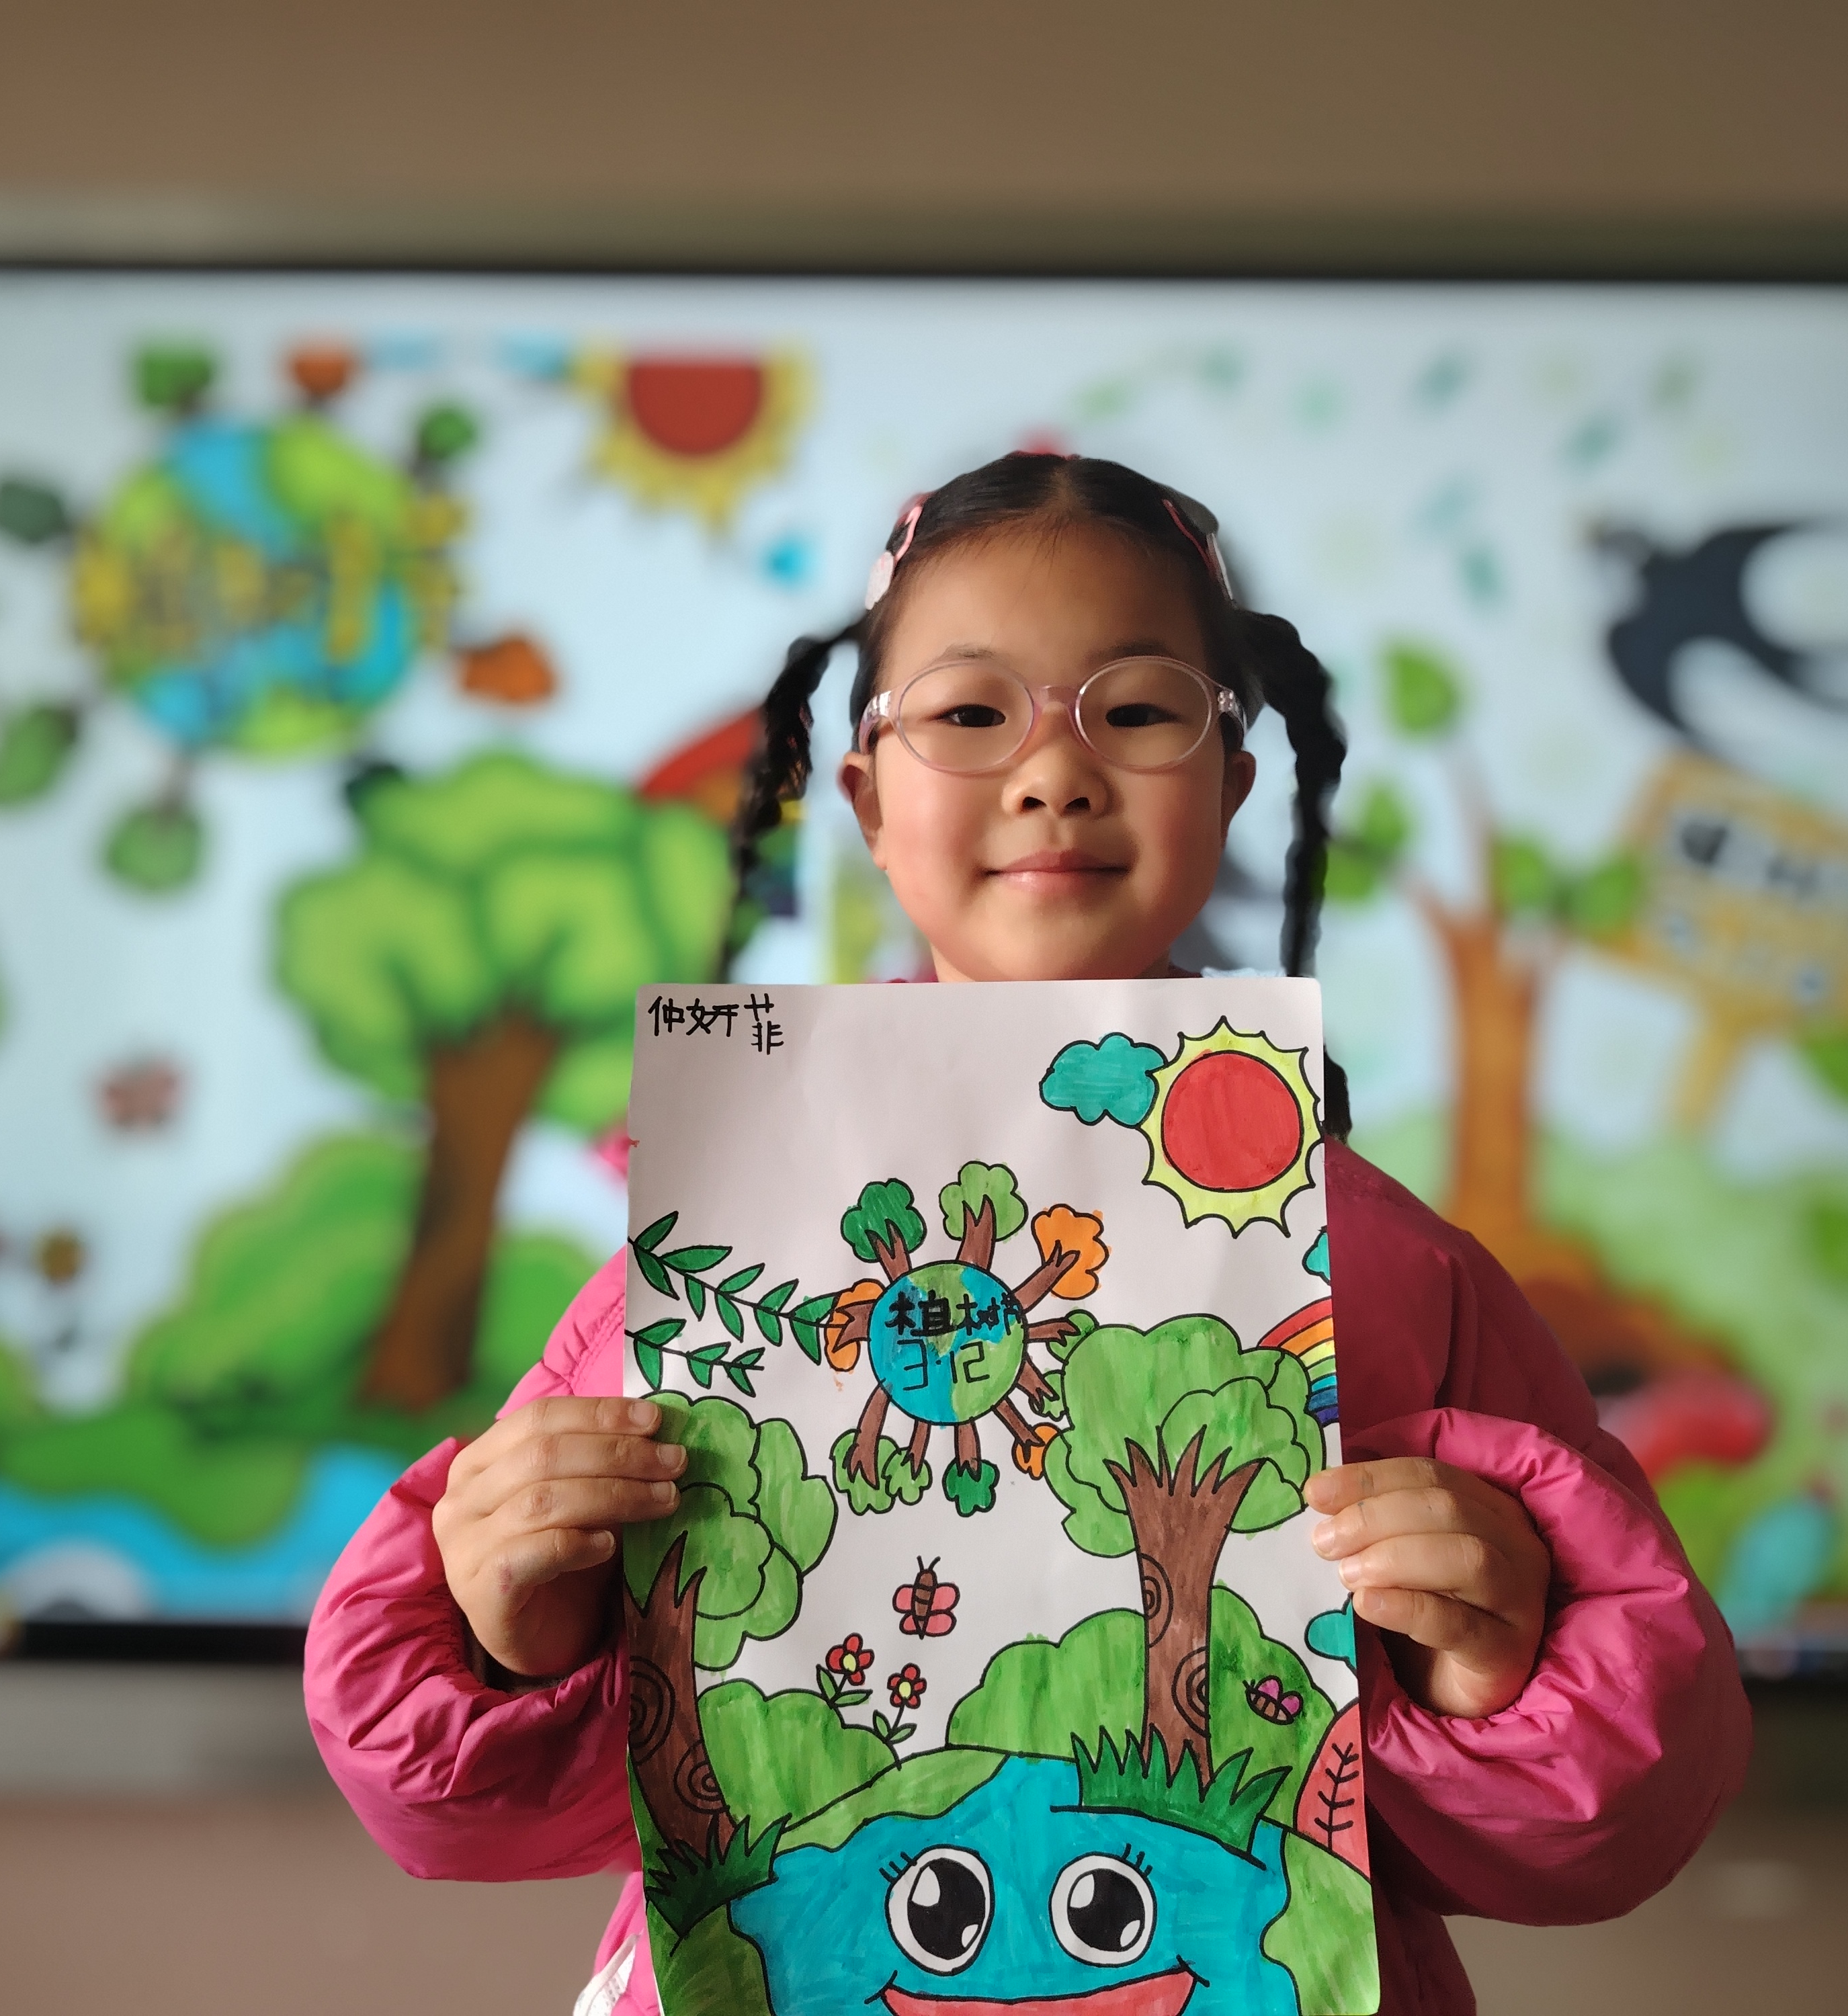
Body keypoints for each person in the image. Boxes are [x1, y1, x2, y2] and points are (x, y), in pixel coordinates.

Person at [304, 452, 1751, 2015]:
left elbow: (1599, 1821)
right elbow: (515, 1804)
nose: (1053, 771)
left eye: (1133, 711)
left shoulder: (1395, 1271)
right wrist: (505, 1634)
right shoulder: (705, 1263)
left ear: (1231, 783)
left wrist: (1488, 1665)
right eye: (970, 711)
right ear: (865, 797)